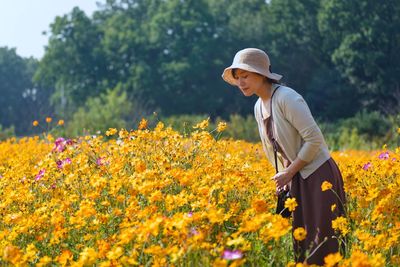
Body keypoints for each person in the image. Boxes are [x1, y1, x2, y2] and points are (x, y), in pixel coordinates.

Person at [221, 48, 346, 265]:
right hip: (296, 178)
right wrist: (285, 178)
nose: (241, 82)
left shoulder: (287, 98)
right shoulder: (258, 106)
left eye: (246, 75)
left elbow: (315, 140)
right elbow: (278, 149)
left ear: (262, 74)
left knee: (323, 247)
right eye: (238, 77)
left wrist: (289, 172)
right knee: (303, 246)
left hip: (318, 176)